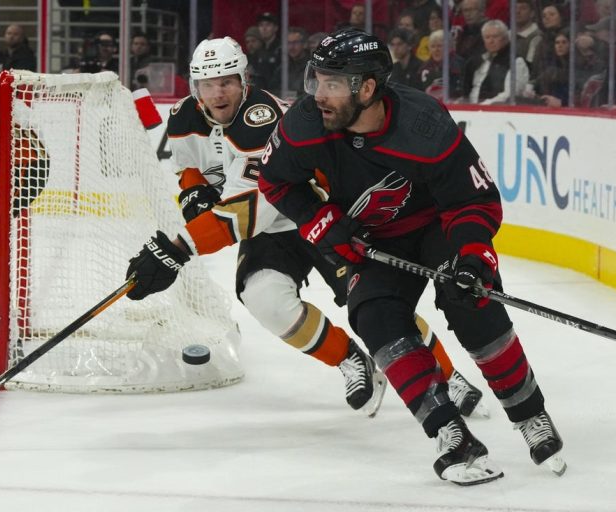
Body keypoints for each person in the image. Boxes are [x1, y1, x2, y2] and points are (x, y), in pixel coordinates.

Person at [256, 28, 566, 485]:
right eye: (315, 80)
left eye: (332, 84)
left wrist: (472, 254)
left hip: (437, 226)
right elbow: (275, 181)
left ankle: (528, 414)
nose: (317, 95)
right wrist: (320, 220)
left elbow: (472, 201)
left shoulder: (424, 124)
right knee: (374, 316)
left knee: (472, 299)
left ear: (367, 88)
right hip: (371, 240)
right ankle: (450, 433)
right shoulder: (305, 125)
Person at [123, 37, 487, 420]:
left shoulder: (260, 119)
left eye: (227, 81)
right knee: (264, 298)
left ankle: (444, 375)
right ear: (194, 86)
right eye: (207, 84)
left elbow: (251, 210)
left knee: (376, 302)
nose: (218, 92)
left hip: (319, 214)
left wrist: (179, 248)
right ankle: (350, 360)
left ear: (243, 80)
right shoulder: (184, 117)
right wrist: (194, 193)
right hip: (270, 233)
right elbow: (188, 169)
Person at [463, 20, 530, 104]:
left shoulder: (516, 62)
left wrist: (484, 105)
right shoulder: (475, 61)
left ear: (505, 38)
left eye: (495, 37)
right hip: (469, 110)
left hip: (496, 112)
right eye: (487, 37)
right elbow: (465, 90)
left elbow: (510, 95)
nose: (491, 41)